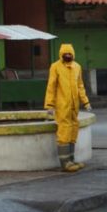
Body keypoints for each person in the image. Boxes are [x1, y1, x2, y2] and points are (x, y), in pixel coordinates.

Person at [44, 43, 92, 172]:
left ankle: (71, 159)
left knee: (73, 129)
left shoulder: (77, 67)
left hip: (74, 106)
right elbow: (51, 86)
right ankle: (65, 162)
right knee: (64, 130)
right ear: (61, 54)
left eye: (70, 54)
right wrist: (49, 105)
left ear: (73, 54)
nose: (68, 55)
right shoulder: (55, 67)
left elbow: (80, 86)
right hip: (62, 106)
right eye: (65, 54)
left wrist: (85, 102)